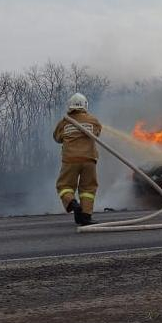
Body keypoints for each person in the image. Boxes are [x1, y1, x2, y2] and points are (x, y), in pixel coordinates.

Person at [53, 93, 102, 226]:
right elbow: (98, 133)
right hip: (89, 160)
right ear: (85, 105)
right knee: (88, 189)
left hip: (70, 160)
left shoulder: (64, 122)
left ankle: (72, 203)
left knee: (64, 186)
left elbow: (57, 138)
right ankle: (85, 217)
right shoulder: (93, 120)